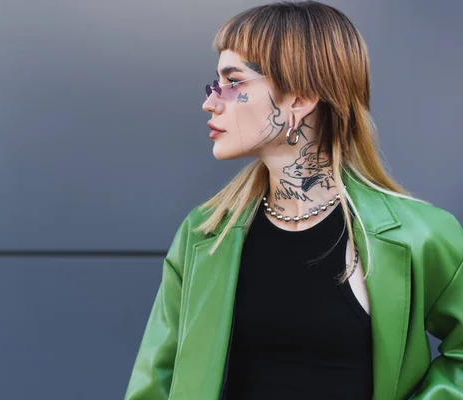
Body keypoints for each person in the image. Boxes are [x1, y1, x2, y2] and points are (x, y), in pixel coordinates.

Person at [124, 2, 463, 399]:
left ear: (300, 99)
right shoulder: (205, 234)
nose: (211, 101)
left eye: (233, 82)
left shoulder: (417, 236)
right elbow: (155, 383)